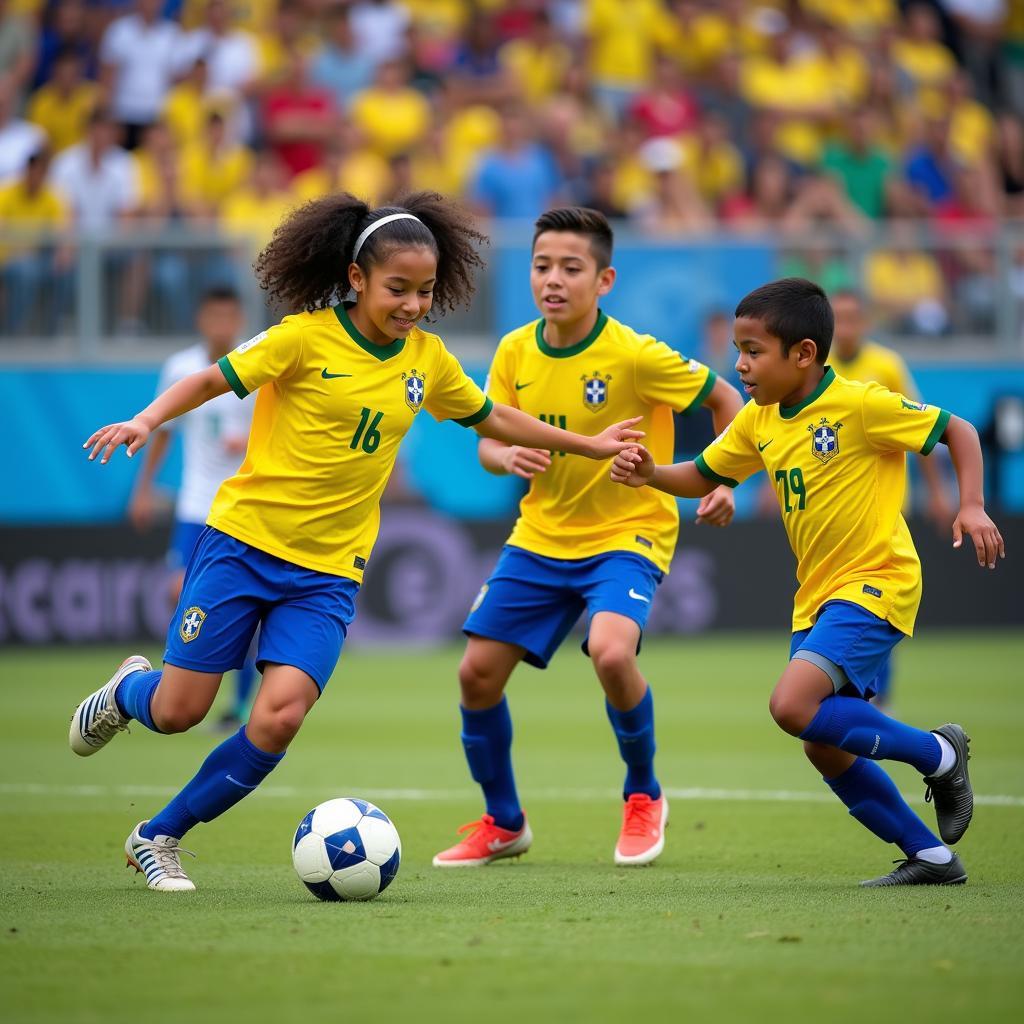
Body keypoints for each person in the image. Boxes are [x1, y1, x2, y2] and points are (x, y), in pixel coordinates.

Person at [69, 191, 646, 893]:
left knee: (279, 717)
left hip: (328, 574)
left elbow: (496, 418)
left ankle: (160, 834)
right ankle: (129, 692)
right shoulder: (302, 338)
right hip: (242, 546)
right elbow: (209, 380)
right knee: (178, 711)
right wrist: (145, 417)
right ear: (356, 278)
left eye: (426, 291)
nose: (412, 304)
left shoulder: (427, 360)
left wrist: (586, 443)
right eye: (398, 288)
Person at [610, 277, 1004, 887]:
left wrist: (971, 504)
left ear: (803, 355)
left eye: (752, 351)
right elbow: (702, 473)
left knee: (791, 706)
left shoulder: (861, 404)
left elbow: (959, 431)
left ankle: (940, 753)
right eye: (738, 350)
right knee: (823, 743)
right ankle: (930, 857)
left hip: (877, 580)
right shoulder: (759, 421)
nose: (739, 365)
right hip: (817, 598)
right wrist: (649, 474)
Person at [433, 207, 742, 869]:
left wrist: (724, 478)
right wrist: (504, 458)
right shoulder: (515, 350)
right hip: (541, 535)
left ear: (604, 280)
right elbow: (489, 437)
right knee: (476, 675)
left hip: (629, 530)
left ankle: (643, 794)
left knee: (609, 651)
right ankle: (504, 822)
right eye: (542, 265)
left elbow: (725, 401)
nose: (553, 279)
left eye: (570, 268)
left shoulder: (635, 354)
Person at [129, 287, 257, 730]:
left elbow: (282, 423)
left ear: (238, 319)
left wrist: (250, 440)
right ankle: (177, 686)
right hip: (195, 503)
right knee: (178, 592)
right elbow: (164, 429)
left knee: (246, 607)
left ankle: (237, 706)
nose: (222, 324)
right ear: (202, 319)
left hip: (244, 505)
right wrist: (143, 489)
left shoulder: (259, 362)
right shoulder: (182, 368)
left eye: (229, 316)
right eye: (213, 316)